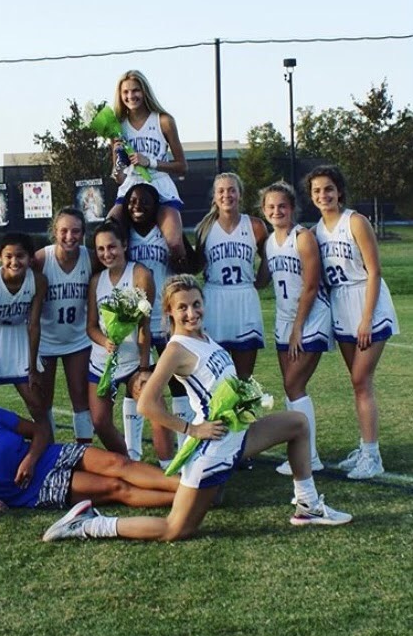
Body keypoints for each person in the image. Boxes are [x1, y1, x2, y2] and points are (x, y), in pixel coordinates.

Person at [42, 275, 352, 543]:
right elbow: (147, 404)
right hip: (213, 447)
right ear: (170, 312)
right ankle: (88, 524)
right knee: (175, 530)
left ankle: (308, 506)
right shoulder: (177, 348)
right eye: (182, 307)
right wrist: (192, 429)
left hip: (237, 435)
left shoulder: (205, 337)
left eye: (196, 304)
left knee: (297, 423)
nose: (191, 312)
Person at [0, 385, 178, 512]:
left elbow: (39, 431)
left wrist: (30, 458)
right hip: (32, 489)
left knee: (118, 462)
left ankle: (187, 485)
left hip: (46, 456)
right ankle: (190, 499)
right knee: (116, 488)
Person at [308, 165, 399, 480]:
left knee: (362, 381)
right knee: (358, 383)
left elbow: (374, 271)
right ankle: (365, 448)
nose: (324, 195)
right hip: (340, 306)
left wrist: (366, 319)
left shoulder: (356, 221)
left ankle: (372, 456)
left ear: (339, 191)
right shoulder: (316, 231)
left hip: (367, 303)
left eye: (329, 189)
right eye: (317, 190)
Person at [257, 180, 333, 475]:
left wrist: (299, 328)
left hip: (310, 317)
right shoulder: (268, 243)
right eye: (271, 207)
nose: (277, 211)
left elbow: (312, 285)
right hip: (283, 318)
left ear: (292, 209)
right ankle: (301, 453)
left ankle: (309, 457)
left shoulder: (302, 238)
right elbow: (262, 280)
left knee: (294, 385)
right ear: (264, 210)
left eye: (282, 206)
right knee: (291, 389)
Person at [123, 182, 188, 466]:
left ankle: (187, 446)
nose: (137, 205)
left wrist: (180, 250)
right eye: (132, 200)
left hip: (166, 317)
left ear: (157, 205)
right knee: (134, 383)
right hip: (135, 321)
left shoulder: (167, 233)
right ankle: (132, 451)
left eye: (144, 201)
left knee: (178, 382)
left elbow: (190, 264)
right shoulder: (123, 236)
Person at [87, 221, 154, 459]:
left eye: (112, 247)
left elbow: (145, 326)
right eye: (101, 249)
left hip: (134, 361)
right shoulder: (96, 281)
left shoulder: (140, 274)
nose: (107, 253)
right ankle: (129, 462)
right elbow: (91, 327)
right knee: (100, 422)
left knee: (155, 411)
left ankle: (171, 466)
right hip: (103, 361)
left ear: (124, 244)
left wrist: (145, 368)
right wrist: (105, 340)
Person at [109, 69, 187, 266]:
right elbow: (119, 178)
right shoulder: (117, 126)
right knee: (109, 232)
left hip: (159, 185)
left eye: (136, 90)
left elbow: (182, 167)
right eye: (125, 92)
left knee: (175, 242)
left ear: (145, 92)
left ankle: (182, 284)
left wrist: (150, 162)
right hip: (131, 188)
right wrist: (118, 159)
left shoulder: (163, 121)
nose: (130, 96)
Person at [194, 172, 268, 379]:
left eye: (232, 190)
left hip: (244, 297)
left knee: (244, 376)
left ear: (240, 195)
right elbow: (197, 266)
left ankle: (245, 411)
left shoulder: (255, 226)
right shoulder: (205, 228)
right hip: (215, 298)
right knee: (218, 376)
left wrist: (260, 282)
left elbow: (269, 257)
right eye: (221, 191)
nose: (227, 195)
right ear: (215, 197)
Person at [0, 232, 48, 421]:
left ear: (30, 257)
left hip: (19, 334)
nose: (14, 261)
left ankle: (48, 448)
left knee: (37, 404)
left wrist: (33, 368)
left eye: (20, 256)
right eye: (8, 256)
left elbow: (34, 326)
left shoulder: (38, 281)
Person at [33, 207, 94, 443]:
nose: (70, 236)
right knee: (43, 400)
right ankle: (49, 450)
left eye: (76, 231)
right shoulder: (41, 259)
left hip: (77, 339)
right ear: (54, 232)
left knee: (80, 398)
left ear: (83, 233)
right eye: (64, 231)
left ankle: (84, 451)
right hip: (46, 340)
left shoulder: (91, 257)